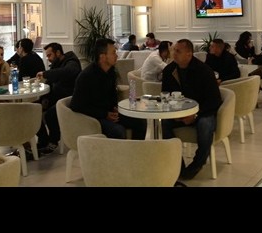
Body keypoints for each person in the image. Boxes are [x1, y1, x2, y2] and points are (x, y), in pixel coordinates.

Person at [160, 38, 223, 180]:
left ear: (189, 54)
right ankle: (178, 165)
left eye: (178, 51)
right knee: (162, 124)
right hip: (178, 112)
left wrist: (195, 115)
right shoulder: (169, 71)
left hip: (202, 112)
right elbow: (166, 95)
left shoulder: (204, 71)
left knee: (205, 125)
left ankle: (197, 164)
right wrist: (174, 113)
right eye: (174, 50)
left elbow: (214, 100)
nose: (174, 54)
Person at [70, 38, 146, 140]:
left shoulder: (111, 72)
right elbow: (76, 105)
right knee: (118, 131)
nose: (116, 55)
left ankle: (135, 149)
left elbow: (112, 95)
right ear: (102, 57)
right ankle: (117, 151)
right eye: (113, 53)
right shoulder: (86, 76)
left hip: (109, 114)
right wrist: (105, 114)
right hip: (94, 118)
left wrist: (114, 108)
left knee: (140, 121)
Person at [34, 42, 82, 154]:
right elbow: (50, 83)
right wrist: (44, 98)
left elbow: (67, 72)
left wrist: (45, 74)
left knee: (50, 115)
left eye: (49, 55)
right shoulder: (56, 64)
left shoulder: (72, 62)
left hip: (69, 100)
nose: (48, 58)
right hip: (57, 98)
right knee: (34, 109)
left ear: (58, 53)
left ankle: (53, 142)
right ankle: (43, 140)